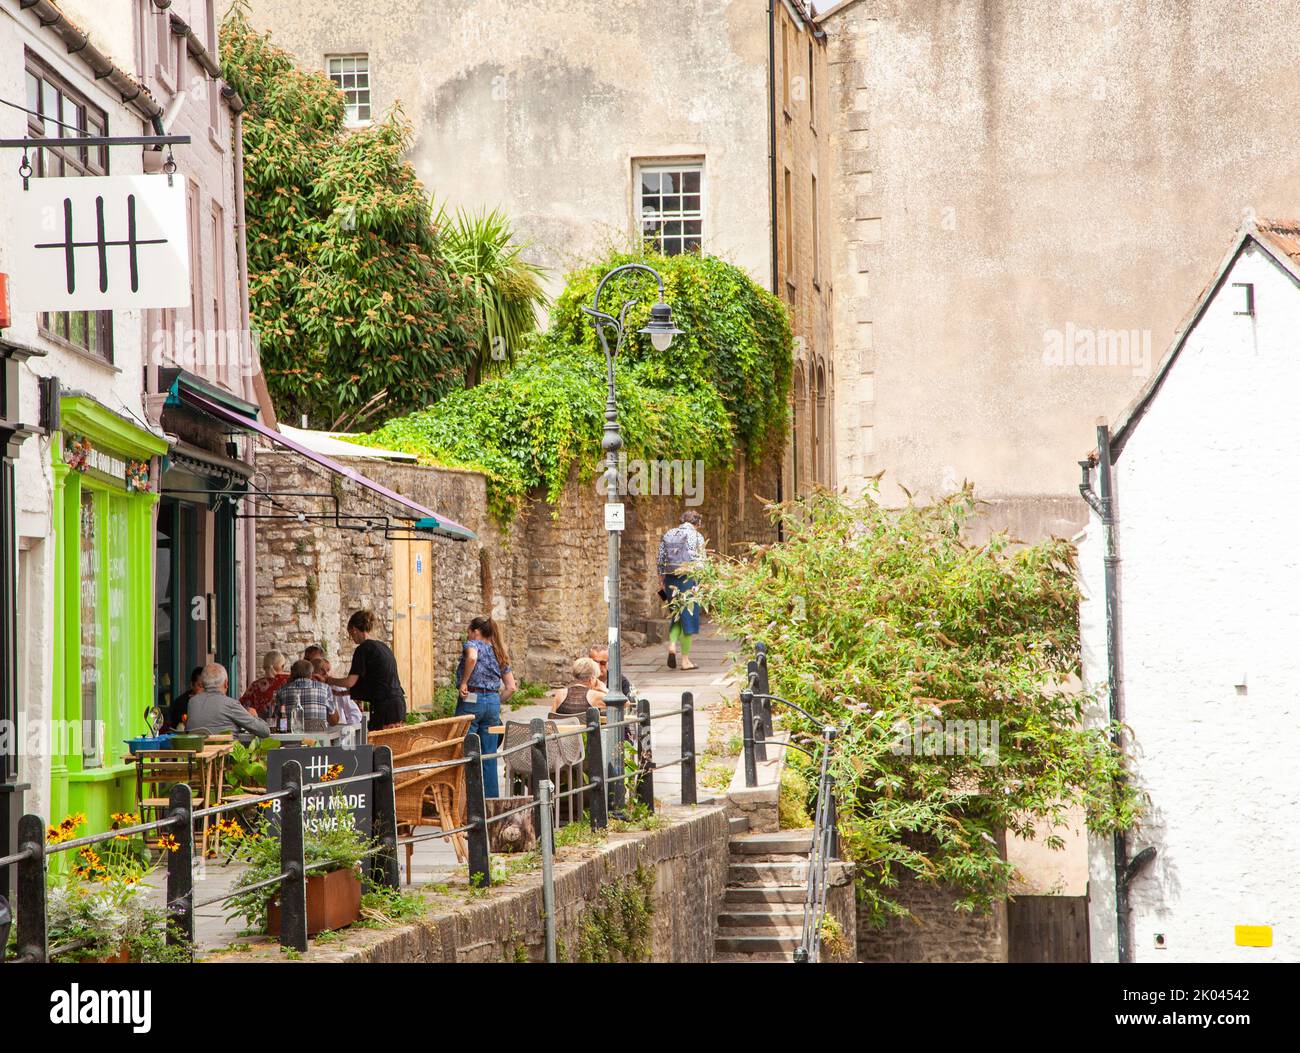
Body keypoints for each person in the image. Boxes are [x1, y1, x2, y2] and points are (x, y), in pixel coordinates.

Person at [457, 616, 517, 798]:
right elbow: (511, 687)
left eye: (469, 632)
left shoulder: (472, 645)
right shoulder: (499, 652)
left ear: (475, 632)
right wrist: (494, 700)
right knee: (489, 754)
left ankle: (468, 801)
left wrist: (464, 682)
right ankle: (490, 801)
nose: (469, 636)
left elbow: (473, 658)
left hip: (471, 700)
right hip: (492, 702)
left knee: (466, 750)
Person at [328, 610, 407, 730]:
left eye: (351, 635)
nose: (352, 638)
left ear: (354, 629)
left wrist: (329, 680)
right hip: (398, 704)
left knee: (379, 745)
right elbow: (379, 681)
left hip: (384, 706)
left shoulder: (363, 649)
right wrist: (345, 693)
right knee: (393, 745)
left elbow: (350, 682)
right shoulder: (383, 647)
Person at [657, 509, 706, 670]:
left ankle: (672, 644)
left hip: (671, 578)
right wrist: (701, 582)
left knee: (676, 615)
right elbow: (701, 562)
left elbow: (661, 559)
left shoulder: (669, 533)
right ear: (696, 523)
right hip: (688, 579)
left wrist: (661, 580)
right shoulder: (697, 537)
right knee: (688, 619)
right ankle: (685, 661)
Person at [187, 663, 271, 737]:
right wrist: (254, 716)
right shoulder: (230, 704)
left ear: (203, 683)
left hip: (199, 754)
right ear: (226, 683)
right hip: (225, 754)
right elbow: (264, 731)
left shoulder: (192, 702)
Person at [274, 659, 338, 733]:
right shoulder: (324, 688)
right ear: (311, 674)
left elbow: (277, 720)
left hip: (290, 741)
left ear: (292, 673)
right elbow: (334, 721)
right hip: (319, 741)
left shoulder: (282, 691)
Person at [312, 656, 363, 726]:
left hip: (339, 730)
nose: (326, 674)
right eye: (321, 670)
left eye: (328, 670)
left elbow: (354, 713)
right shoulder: (309, 689)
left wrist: (347, 730)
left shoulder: (337, 688)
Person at [240, 650, 290, 718]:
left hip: (259, 725)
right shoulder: (287, 682)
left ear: (264, 666)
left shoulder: (255, 686)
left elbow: (241, 707)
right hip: (283, 723)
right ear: (281, 666)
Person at [166, 666, 204, 732]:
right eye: (200, 686)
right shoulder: (181, 703)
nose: (203, 690)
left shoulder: (212, 702)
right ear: (192, 685)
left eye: (206, 686)